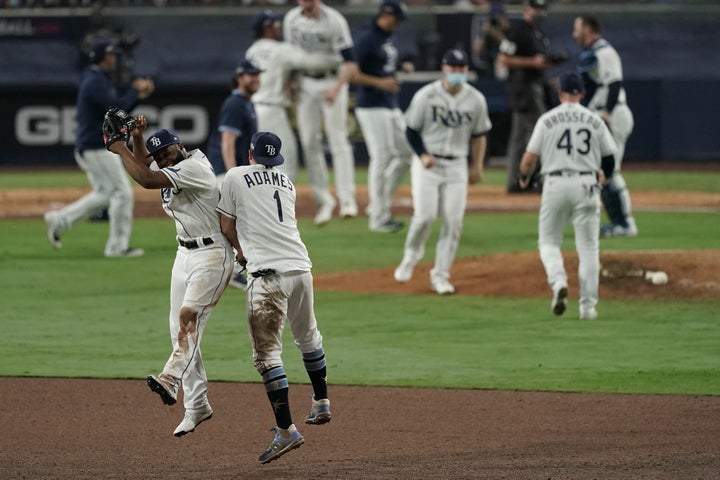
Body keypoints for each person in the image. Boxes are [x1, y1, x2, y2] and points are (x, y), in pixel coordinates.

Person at [103, 112, 234, 436]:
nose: (162, 159)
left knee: (190, 318)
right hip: (184, 255)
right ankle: (198, 405)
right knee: (179, 327)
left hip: (213, 255)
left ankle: (169, 378)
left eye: (166, 152)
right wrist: (135, 139)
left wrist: (118, 148)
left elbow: (145, 179)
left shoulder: (194, 168)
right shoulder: (170, 167)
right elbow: (146, 170)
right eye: (158, 156)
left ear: (180, 146)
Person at [217, 131, 331, 464]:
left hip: (268, 276)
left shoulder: (235, 176)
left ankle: (286, 432)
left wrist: (240, 252)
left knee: (267, 355)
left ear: (250, 154)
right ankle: (321, 401)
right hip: (301, 269)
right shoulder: (286, 181)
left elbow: (226, 225)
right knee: (308, 337)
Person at [517, 72, 617, 320]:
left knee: (549, 242)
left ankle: (558, 280)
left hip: (555, 184)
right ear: (582, 94)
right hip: (587, 184)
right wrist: (604, 177)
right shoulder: (594, 120)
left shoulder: (547, 119)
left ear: (560, 93)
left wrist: (523, 178)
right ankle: (588, 308)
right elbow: (609, 158)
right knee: (589, 248)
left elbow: (529, 159)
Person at [43, 38, 154, 257]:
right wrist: (134, 91)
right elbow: (117, 109)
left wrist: (137, 94)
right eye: (111, 54)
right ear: (103, 57)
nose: (114, 58)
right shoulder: (95, 80)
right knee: (122, 193)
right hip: (95, 145)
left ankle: (59, 219)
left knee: (105, 194)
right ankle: (117, 247)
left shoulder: (96, 77)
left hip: (93, 145)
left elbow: (117, 110)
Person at [393, 49, 492, 295]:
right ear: (444, 69)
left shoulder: (475, 99)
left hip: (457, 163)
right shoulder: (426, 96)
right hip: (429, 163)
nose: (458, 73)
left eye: (461, 68)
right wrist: (422, 154)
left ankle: (441, 275)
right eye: (453, 68)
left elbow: (480, 134)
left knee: (453, 221)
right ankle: (411, 256)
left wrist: (477, 166)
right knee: (424, 216)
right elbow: (411, 130)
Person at [283, 0, 359, 225]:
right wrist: (290, 82)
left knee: (338, 139)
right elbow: (290, 55)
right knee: (308, 142)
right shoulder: (291, 19)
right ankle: (324, 200)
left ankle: (347, 199)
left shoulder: (334, 20)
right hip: (305, 83)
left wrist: (337, 88)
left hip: (332, 79)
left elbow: (351, 62)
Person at [245, 9, 339, 182]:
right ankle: (282, 206)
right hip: (272, 110)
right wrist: (340, 59)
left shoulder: (251, 51)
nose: (278, 27)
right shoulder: (281, 49)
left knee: (258, 162)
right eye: (275, 24)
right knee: (286, 163)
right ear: (267, 28)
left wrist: (290, 77)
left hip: (252, 109)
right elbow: (312, 62)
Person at [352, 0, 414, 233]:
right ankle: (378, 218)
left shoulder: (389, 37)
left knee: (407, 154)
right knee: (382, 156)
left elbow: (384, 63)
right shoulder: (366, 38)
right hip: (370, 105)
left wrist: (401, 66)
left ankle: (378, 204)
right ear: (385, 15)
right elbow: (351, 74)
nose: (398, 24)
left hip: (389, 103)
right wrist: (381, 83)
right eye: (396, 19)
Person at [573, 15, 638, 237]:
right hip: (601, 116)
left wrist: (607, 113)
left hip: (614, 114)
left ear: (589, 30)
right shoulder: (592, 54)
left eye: (577, 29)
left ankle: (625, 224)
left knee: (610, 170)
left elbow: (615, 83)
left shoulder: (605, 52)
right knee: (600, 170)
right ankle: (617, 222)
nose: (574, 34)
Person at [498, 0, 565, 193]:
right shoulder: (519, 30)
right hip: (523, 88)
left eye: (542, 9)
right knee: (540, 132)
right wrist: (532, 63)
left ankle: (519, 180)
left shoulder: (537, 32)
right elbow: (504, 59)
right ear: (527, 10)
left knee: (523, 136)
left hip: (534, 85)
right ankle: (528, 179)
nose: (540, 13)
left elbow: (538, 60)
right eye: (536, 9)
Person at [206, 59, 262, 182]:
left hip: (233, 171)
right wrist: (232, 174)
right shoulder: (235, 103)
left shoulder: (246, 102)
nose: (256, 79)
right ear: (239, 78)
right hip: (224, 172)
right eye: (251, 75)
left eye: (257, 75)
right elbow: (227, 141)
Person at [471, 1, 511, 79]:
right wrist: (484, 33)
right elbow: (476, 49)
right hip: (488, 68)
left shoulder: (509, 32)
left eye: (499, 17)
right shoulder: (487, 32)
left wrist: (496, 33)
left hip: (506, 69)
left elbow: (509, 49)